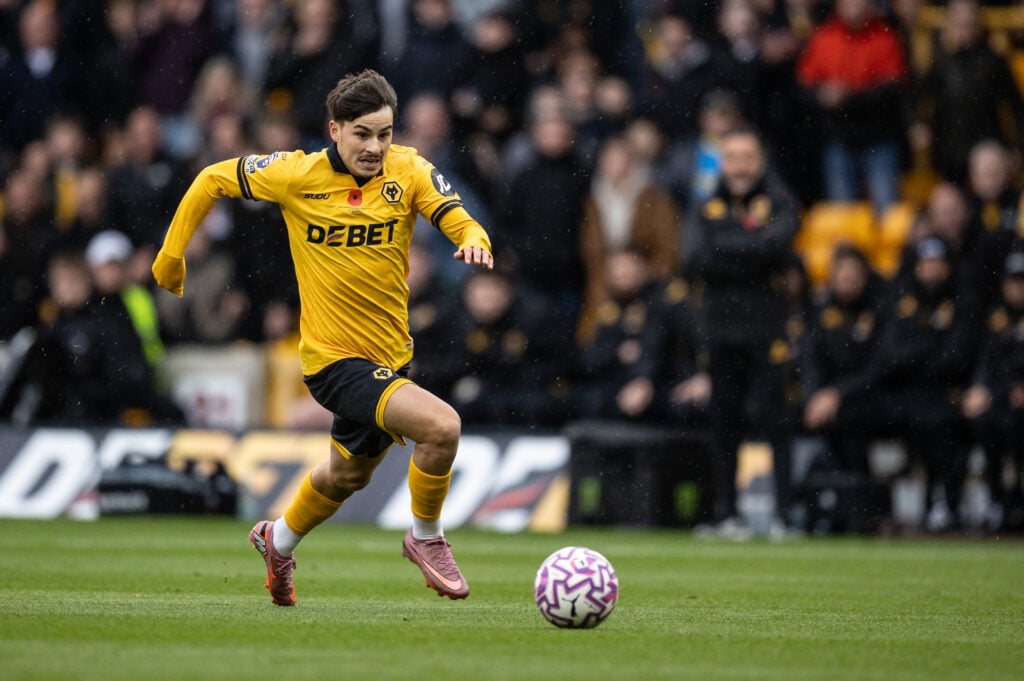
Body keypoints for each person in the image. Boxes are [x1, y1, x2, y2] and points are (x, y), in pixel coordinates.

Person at [152, 70, 494, 605]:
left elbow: (452, 212)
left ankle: (277, 540)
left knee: (345, 475)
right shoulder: (296, 174)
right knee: (441, 427)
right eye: (363, 134)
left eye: (384, 133)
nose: (376, 147)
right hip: (333, 362)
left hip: (390, 358)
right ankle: (425, 537)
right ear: (334, 129)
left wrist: (473, 236)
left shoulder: (407, 169)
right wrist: (171, 255)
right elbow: (212, 178)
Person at [685, 126, 800, 535]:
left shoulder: (780, 200)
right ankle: (725, 514)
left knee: (776, 423)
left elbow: (778, 246)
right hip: (719, 331)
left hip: (767, 330)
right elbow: (694, 258)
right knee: (723, 425)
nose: (740, 166)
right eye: (732, 157)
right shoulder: (706, 203)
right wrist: (752, 248)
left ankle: (784, 516)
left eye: (747, 157)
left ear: (760, 161)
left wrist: (729, 248)